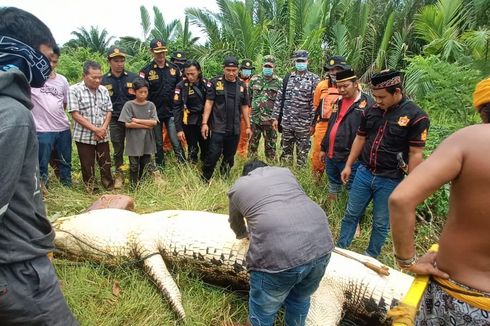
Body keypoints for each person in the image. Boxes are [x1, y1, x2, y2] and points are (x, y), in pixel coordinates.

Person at [388, 78, 490, 325]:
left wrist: (407, 261)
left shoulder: (470, 140)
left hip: (461, 300)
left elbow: (401, 199)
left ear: (482, 108)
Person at [0, 7, 78, 324]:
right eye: (45, 57)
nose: (47, 67)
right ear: (21, 49)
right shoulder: (12, 115)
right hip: (19, 270)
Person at [228, 160, 334, 326]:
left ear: (246, 175)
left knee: (263, 312)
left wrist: (244, 234)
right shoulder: (285, 173)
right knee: (300, 299)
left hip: (278, 259)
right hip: (322, 246)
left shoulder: (238, 188)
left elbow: (236, 224)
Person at [336, 70, 429, 258]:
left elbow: (415, 153)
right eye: (375, 96)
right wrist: (348, 165)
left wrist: (414, 184)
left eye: (381, 97)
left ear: (396, 92)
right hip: (364, 172)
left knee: (381, 223)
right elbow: (360, 139)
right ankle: (340, 251)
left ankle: (372, 258)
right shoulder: (371, 110)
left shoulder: (416, 116)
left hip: (390, 179)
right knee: (351, 214)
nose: (377, 101)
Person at [319, 69, 374, 201]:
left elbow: (370, 134)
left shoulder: (367, 103)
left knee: (353, 190)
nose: (342, 90)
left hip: (351, 158)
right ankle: (333, 212)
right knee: (333, 186)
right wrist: (323, 148)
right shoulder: (338, 101)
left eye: (345, 86)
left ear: (355, 84)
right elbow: (331, 125)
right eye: (339, 87)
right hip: (331, 155)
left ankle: (353, 217)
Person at [201, 56, 251, 181]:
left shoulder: (241, 85)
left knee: (230, 155)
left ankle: (224, 177)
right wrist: (204, 123)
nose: (231, 73)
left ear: (237, 70)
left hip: (234, 127)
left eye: (234, 70)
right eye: (228, 70)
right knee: (213, 153)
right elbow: (209, 102)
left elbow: (245, 106)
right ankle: (205, 178)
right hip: (218, 126)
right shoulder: (215, 82)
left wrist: (248, 126)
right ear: (224, 69)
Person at [69, 60, 114, 192]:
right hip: (84, 136)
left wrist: (103, 128)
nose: (97, 80)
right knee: (87, 164)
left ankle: (108, 185)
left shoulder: (103, 90)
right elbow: (75, 114)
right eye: (94, 77)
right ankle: (91, 188)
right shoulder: (74, 90)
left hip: (103, 134)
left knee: (105, 162)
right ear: (84, 76)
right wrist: (95, 129)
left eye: (100, 77)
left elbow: (109, 110)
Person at [31, 44, 72, 189]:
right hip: (41, 129)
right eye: (48, 60)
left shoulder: (62, 80)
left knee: (65, 162)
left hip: (62, 128)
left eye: (54, 61)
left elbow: (65, 104)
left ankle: (67, 189)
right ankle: (43, 190)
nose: (51, 64)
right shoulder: (31, 79)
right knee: (41, 163)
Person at [139, 39, 185, 166]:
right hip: (155, 113)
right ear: (151, 52)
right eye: (157, 52)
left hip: (171, 112)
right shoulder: (146, 71)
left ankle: (182, 164)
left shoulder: (174, 69)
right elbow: (142, 92)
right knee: (158, 142)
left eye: (163, 52)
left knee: (175, 139)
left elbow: (180, 90)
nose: (161, 55)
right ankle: (161, 165)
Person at [272, 50, 320, 166]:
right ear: (294, 61)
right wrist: (275, 118)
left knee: (302, 155)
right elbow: (280, 98)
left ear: (307, 61)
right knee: (285, 153)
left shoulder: (314, 79)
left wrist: (313, 124)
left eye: (302, 61)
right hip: (287, 123)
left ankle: (299, 177)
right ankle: (284, 175)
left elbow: (316, 104)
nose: (300, 63)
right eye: (298, 61)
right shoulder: (288, 77)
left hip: (303, 124)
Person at [101, 46, 137, 189]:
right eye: (116, 60)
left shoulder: (133, 77)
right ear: (109, 61)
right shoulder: (103, 80)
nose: (120, 63)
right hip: (115, 119)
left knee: (135, 147)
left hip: (132, 119)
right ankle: (119, 174)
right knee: (118, 149)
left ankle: (136, 173)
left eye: (122, 60)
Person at [310, 55, 349, 182]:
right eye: (331, 70)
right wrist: (312, 125)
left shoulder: (352, 85)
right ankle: (317, 182)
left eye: (337, 69)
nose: (333, 72)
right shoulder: (321, 86)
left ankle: (339, 182)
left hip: (343, 125)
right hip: (323, 124)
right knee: (317, 154)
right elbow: (315, 106)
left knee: (341, 153)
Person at [118, 78, 158, 187]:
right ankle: (133, 185)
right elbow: (127, 124)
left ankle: (143, 185)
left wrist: (137, 120)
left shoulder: (151, 105)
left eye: (145, 92)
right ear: (134, 92)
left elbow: (154, 122)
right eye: (140, 92)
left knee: (145, 163)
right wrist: (146, 125)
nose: (143, 94)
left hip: (147, 139)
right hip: (133, 139)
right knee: (134, 165)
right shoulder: (129, 105)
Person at [173, 60, 209, 163]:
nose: (190, 76)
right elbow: (176, 108)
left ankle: (205, 167)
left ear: (199, 71)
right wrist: (179, 129)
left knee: (206, 146)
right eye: (187, 74)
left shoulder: (206, 84)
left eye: (192, 73)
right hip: (189, 121)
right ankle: (192, 168)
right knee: (192, 148)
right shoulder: (181, 86)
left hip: (204, 121)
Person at [248, 55, 282, 161]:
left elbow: (280, 101)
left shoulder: (279, 82)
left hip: (270, 120)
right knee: (252, 147)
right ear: (262, 66)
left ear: (274, 67)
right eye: (266, 66)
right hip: (255, 119)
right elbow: (249, 97)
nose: (268, 68)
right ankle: (251, 169)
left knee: (270, 149)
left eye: (270, 66)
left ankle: (270, 169)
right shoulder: (254, 79)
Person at [236, 59, 254, 157]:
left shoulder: (253, 81)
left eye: (249, 69)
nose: (247, 71)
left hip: (248, 110)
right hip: (236, 111)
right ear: (240, 70)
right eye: (245, 69)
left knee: (245, 134)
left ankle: (242, 154)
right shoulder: (236, 81)